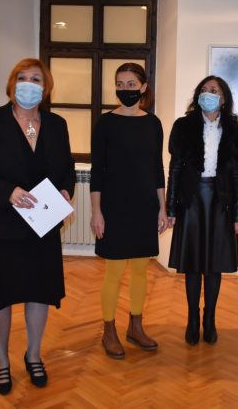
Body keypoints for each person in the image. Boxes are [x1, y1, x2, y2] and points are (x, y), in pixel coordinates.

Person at [0, 58, 75, 394]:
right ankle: (1, 360)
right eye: (22, 77)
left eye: (36, 78)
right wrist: (7, 192)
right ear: (12, 84)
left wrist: (66, 190)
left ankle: (33, 354)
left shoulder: (57, 124)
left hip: (42, 226)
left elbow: (66, 167)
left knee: (39, 292)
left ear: (45, 87)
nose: (28, 83)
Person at [90, 63, 167, 359]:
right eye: (120, 84)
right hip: (114, 206)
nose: (125, 89)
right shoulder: (106, 123)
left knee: (140, 270)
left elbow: (157, 169)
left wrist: (162, 207)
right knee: (114, 271)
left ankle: (135, 326)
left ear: (143, 87)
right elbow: (97, 171)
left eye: (131, 84)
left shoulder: (153, 123)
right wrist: (96, 212)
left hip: (145, 205)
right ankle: (108, 330)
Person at [166, 75, 238, 345]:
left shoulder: (235, 130)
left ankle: (209, 319)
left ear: (223, 98)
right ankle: (192, 319)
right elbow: (175, 169)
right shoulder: (183, 126)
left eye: (213, 90)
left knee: (214, 266)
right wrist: (171, 208)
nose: (208, 94)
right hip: (191, 200)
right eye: (203, 89)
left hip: (221, 201)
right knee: (192, 265)